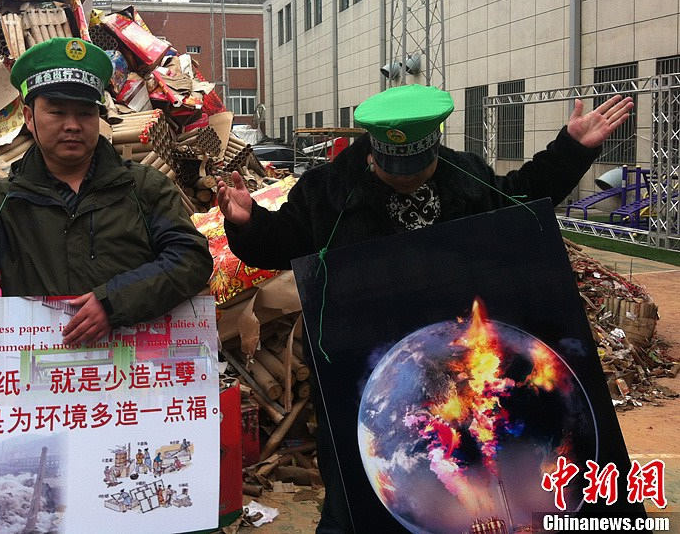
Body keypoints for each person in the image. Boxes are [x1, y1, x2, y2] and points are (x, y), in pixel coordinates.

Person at [216, 83, 633, 534]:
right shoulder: (327, 192)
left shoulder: (465, 176)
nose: (408, 178)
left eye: (419, 169)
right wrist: (249, 223)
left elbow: (517, 201)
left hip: (460, 365)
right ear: (374, 152)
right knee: (352, 500)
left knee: (467, 491)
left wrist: (570, 149)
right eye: (394, 171)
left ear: (435, 148)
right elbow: (282, 244)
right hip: (365, 371)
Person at [0, 37, 213, 345]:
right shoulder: (4, 199)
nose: (73, 125)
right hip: (40, 374)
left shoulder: (143, 187)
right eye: (57, 112)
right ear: (29, 117)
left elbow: (191, 260)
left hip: (131, 377)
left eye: (85, 113)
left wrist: (114, 302)